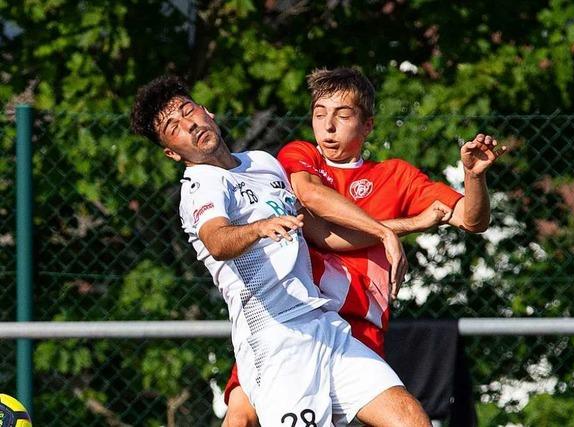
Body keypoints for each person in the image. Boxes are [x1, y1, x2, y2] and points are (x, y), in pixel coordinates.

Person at [130, 75, 433, 427]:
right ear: (172, 151)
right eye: (174, 127)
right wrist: (258, 228)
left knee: (411, 418)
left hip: (322, 324)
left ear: (206, 111)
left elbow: (322, 233)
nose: (189, 125)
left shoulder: (262, 163)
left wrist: (392, 231)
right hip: (277, 341)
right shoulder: (202, 187)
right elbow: (217, 240)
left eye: (188, 111)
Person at [223, 67, 507, 427]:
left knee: (412, 421)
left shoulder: (395, 176)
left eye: (342, 115)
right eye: (319, 114)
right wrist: (394, 230)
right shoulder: (299, 157)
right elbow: (315, 208)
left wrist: (474, 177)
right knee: (241, 414)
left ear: (368, 125)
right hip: (289, 323)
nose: (328, 127)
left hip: (357, 332)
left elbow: (472, 219)